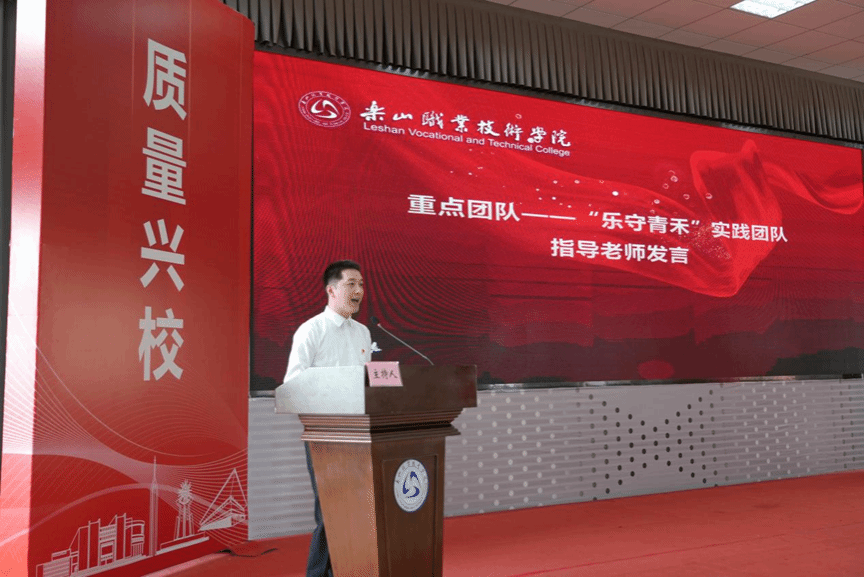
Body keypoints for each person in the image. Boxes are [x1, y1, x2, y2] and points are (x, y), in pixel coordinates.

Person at [283, 260, 372, 577]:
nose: (358, 290)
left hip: (360, 432)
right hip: (325, 434)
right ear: (331, 290)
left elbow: (367, 383)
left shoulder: (362, 333)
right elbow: (293, 384)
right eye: (351, 284)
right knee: (330, 510)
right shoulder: (312, 330)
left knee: (356, 509)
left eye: (361, 284)